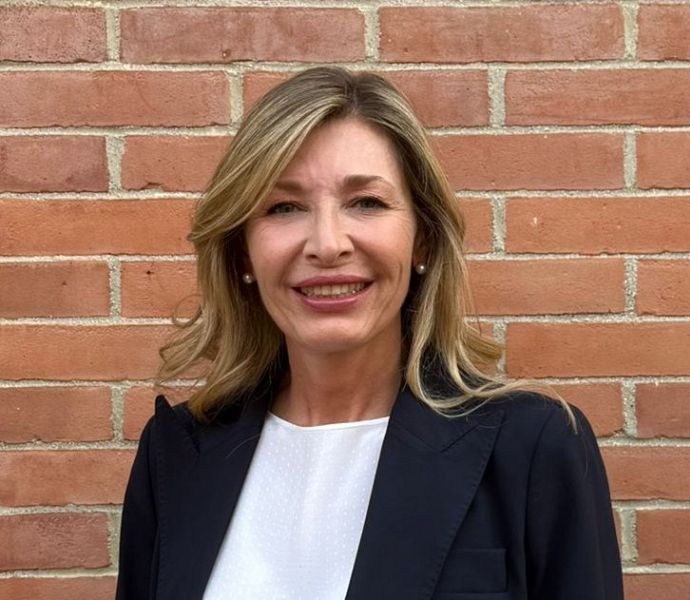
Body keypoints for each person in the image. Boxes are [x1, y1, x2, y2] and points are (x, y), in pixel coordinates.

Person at [116, 67, 623, 600]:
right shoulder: (175, 455)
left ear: (422, 238)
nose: (327, 244)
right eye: (284, 207)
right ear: (243, 252)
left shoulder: (532, 448)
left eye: (366, 202)